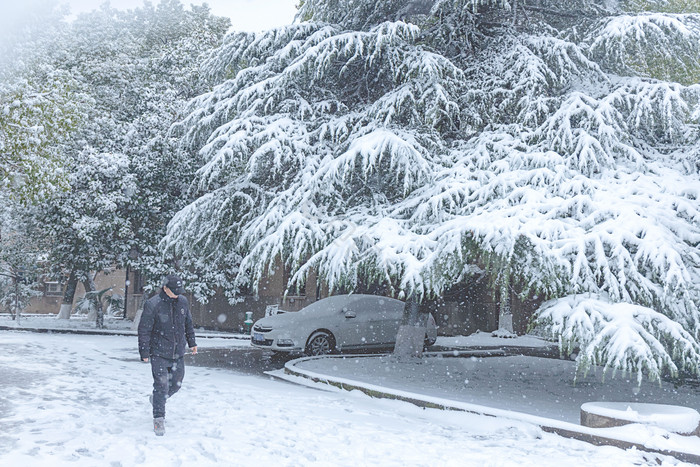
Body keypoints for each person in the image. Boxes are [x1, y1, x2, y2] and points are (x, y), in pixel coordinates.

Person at [138, 274, 197, 436]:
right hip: (159, 353)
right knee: (161, 385)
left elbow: (188, 324)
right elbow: (144, 330)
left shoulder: (183, 302)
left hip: (178, 352)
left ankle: (157, 400)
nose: (178, 294)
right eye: (175, 290)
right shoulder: (153, 304)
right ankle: (159, 418)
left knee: (176, 385)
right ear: (165, 288)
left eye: (180, 290)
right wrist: (144, 351)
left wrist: (192, 343)